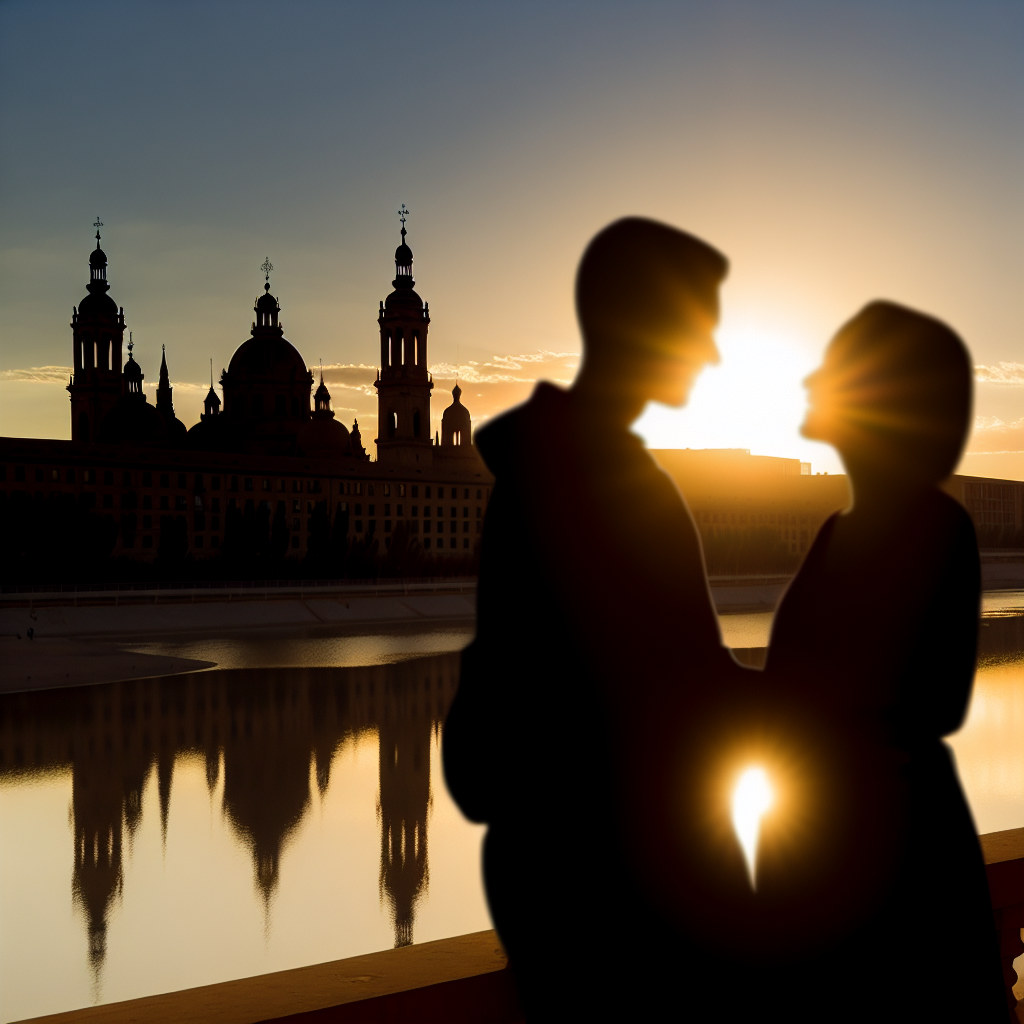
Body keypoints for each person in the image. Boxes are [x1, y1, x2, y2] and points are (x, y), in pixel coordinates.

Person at [443, 218, 751, 1019]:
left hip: (564, 865)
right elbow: (679, 687)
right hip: (600, 880)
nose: (714, 355)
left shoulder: (552, 470)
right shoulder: (610, 485)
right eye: (702, 329)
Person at [753, 302, 1006, 1022]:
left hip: (893, 861)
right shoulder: (840, 529)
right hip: (832, 846)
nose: (814, 377)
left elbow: (936, 702)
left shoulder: (936, 527)